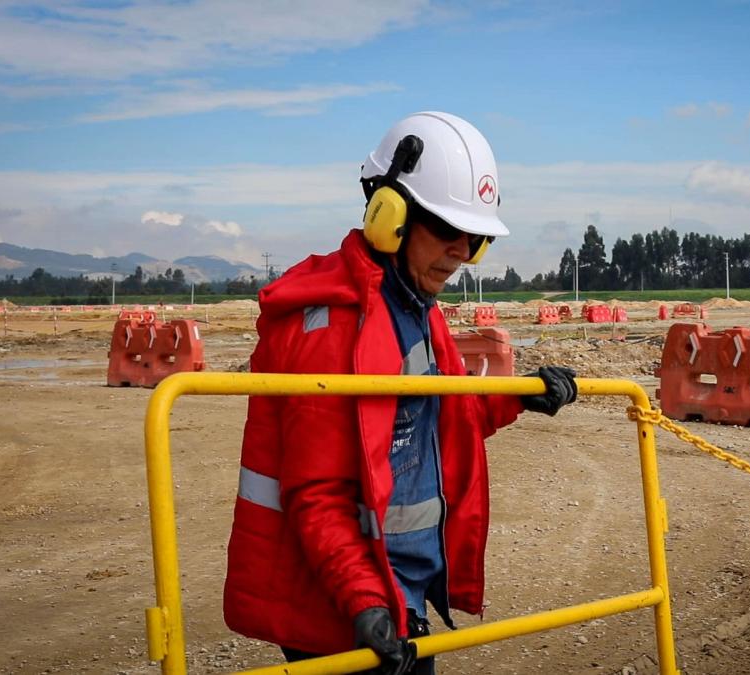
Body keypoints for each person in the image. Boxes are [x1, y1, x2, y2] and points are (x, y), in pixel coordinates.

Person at [224, 111, 579, 674]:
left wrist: (519, 395)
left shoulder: (414, 306)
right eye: (447, 229)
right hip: (335, 595)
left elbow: (435, 416)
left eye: (476, 237)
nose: (463, 251)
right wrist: (365, 600)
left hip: (390, 585)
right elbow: (316, 491)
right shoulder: (336, 328)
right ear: (389, 215)